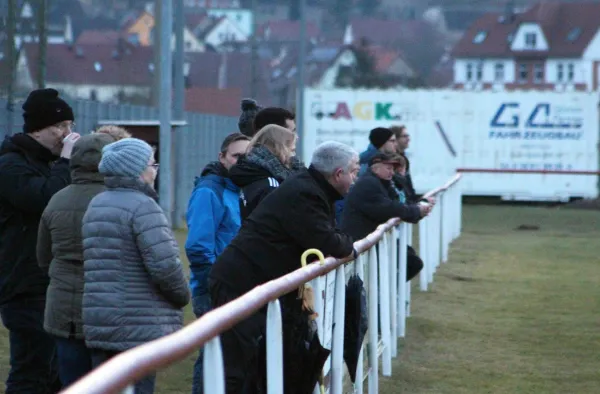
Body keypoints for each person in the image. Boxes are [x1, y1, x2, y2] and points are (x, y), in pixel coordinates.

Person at [209, 141, 360, 393]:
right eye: (354, 171)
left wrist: (342, 242)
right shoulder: (305, 193)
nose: (356, 178)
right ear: (338, 174)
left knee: (259, 364)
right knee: (238, 367)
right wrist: (347, 245)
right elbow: (331, 242)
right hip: (240, 283)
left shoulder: (312, 188)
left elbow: (331, 237)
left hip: (256, 282)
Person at [81, 138, 190, 394]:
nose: (156, 170)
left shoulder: (97, 203)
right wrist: (183, 296)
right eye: (153, 164)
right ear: (137, 170)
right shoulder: (143, 207)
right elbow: (165, 266)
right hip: (136, 324)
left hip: (100, 320)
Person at [0, 88, 80, 394]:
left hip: (49, 282)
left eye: (70, 126)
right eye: (60, 127)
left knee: (53, 372)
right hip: (23, 284)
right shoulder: (10, 165)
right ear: (36, 129)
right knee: (30, 372)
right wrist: (66, 162)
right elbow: (47, 199)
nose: (67, 134)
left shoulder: (46, 162)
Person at [36, 133, 116, 387]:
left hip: (63, 308)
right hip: (107, 307)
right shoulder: (119, 200)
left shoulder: (56, 199)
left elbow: (43, 256)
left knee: (74, 384)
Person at [184, 132, 250, 394]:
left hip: (238, 286)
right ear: (222, 157)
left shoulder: (243, 188)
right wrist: (213, 282)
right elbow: (199, 246)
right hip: (215, 287)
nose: (242, 162)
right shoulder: (209, 191)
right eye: (237, 156)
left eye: (248, 157)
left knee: (232, 360)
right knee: (213, 357)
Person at [340, 152, 430, 281]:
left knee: (410, 260)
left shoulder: (381, 183)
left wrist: (417, 209)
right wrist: (416, 211)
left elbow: (399, 203)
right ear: (375, 168)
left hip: (369, 242)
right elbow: (389, 208)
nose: (392, 173)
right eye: (389, 168)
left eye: (393, 169)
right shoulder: (369, 184)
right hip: (360, 243)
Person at [229, 124, 297, 221]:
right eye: (292, 150)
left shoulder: (252, 174)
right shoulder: (271, 183)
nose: (293, 156)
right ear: (280, 148)